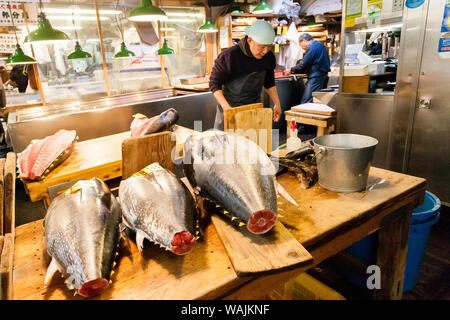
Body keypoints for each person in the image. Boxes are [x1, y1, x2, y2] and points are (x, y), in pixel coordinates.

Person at [209, 20, 282, 130]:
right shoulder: (229, 57)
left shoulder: (269, 57)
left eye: (269, 46)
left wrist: (277, 103)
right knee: (226, 144)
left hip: (254, 109)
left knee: (252, 143)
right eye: (262, 47)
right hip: (230, 108)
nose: (266, 51)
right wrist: (227, 108)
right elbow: (214, 84)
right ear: (249, 40)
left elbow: (269, 82)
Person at [285, 33, 330, 104]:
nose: (302, 48)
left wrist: (291, 70)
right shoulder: (321, 46)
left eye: (301, 45)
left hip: (316, 79)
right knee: (318, 102)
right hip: (323, 77)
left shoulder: (312, 48)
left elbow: (303, 65)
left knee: (306, 102)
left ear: (304, 40)